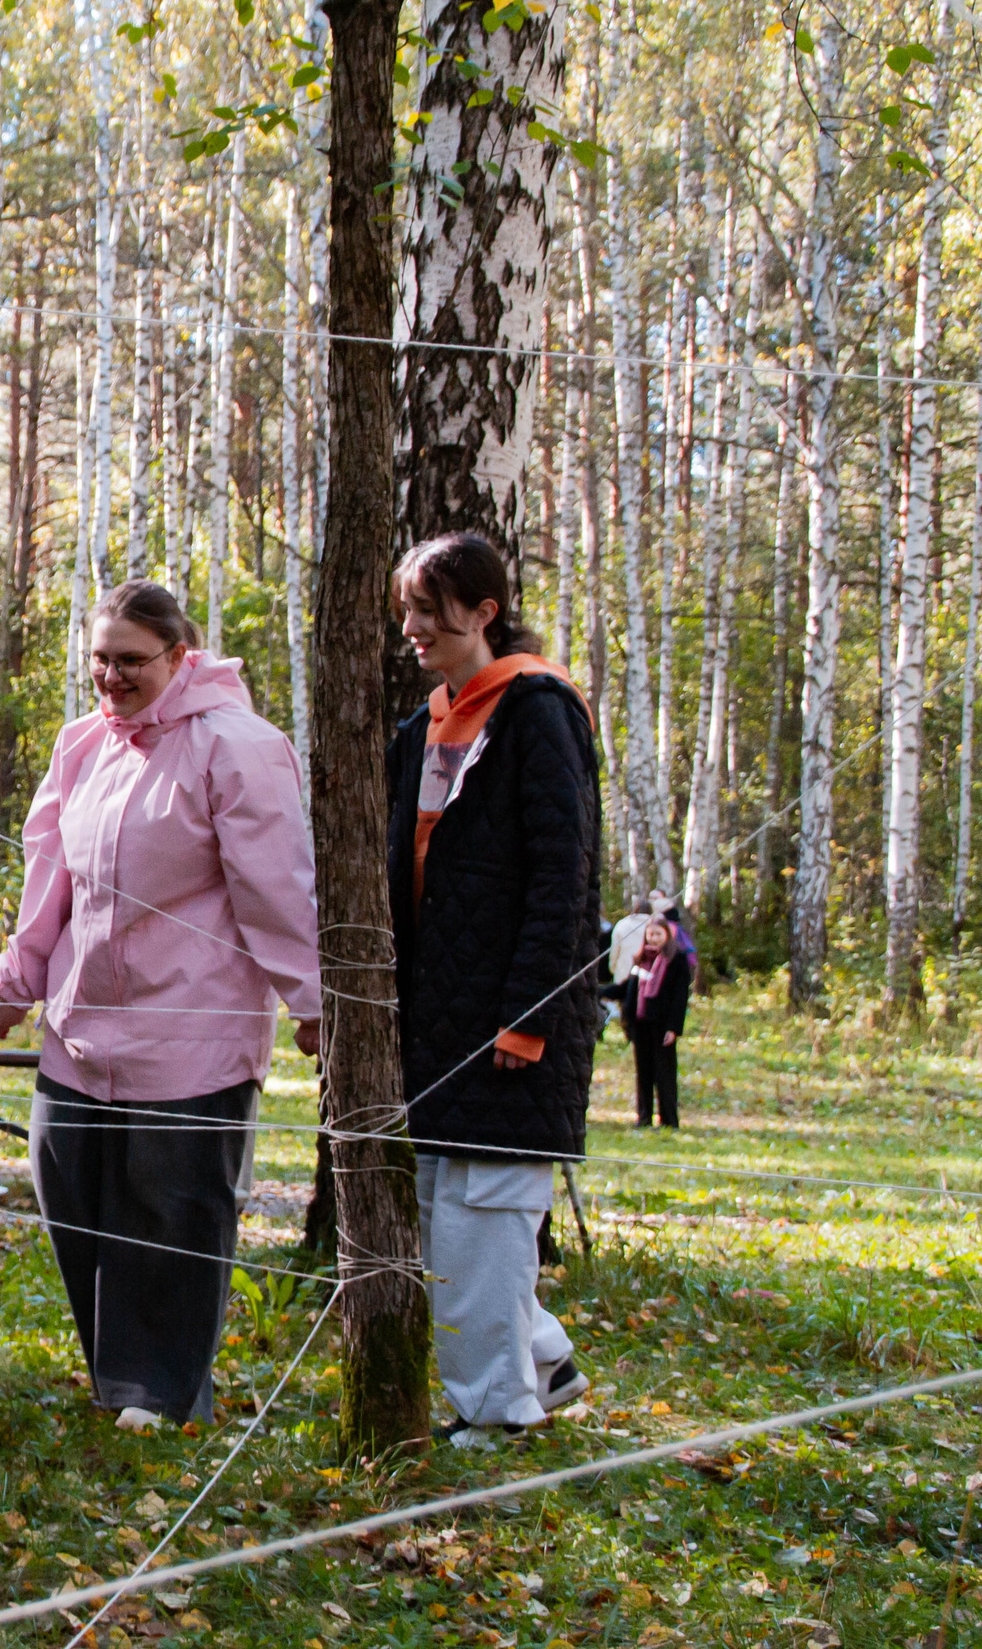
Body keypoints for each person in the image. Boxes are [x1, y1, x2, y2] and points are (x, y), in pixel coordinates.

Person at [0, 580, 322, 1430]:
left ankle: (163, 1396)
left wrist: (314, 1001)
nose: (111, 676)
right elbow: (48, 878)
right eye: (100, 659)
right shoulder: (83, 744)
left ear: (179, 655)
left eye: (131, 660)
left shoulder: (239, 745)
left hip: (191, 1036)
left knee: (171, 1214)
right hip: (80, 1030)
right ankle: (117, 1379)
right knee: (74, 1199)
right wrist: (15, 986)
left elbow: (275, 888)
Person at [386, 533, 603, 1449]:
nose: (414, 630)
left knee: (484, 1219)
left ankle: (499, 1411)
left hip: (512, 1028)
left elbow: (565, 879)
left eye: (430, 611)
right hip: (434, 1025)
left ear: (484, 611)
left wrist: (528, 1016)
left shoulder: (537, 711)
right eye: (407, 611)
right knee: (447, 1217)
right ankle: (543, 1360)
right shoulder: (422, 727)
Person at [618, 908, 693, 1128]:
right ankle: (644, 1117)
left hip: (663, 1025)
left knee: (664, 1073)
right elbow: (627, 989)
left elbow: (680, 997)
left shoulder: (677, 960)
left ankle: (669, 1120)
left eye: (658, 934)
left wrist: (674, 1028)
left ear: (667, 935)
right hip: (641, 1024)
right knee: (644, 1073)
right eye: (650, 934)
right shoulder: (641, 959)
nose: (654, 938)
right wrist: (599, 990)